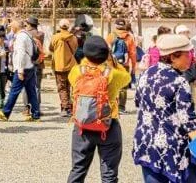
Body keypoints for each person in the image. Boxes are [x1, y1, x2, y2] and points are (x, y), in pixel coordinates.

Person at [133, 34, 196, 183]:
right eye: (187, 54)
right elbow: (188, 121)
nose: (191, 58)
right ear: (173, 57)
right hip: (172, 147)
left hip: (146, 142)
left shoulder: (146, 74)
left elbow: (138, 102)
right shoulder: (179, 81)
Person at [66, 36, 131, 183]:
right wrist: (114, 64)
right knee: (109, 174)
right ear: (106, 54)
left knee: (78, 169)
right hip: (108, 125)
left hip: (82, 125)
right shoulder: (114, 74)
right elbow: (127, 78)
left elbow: (74, 79)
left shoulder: (76, 71)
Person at [0, 19, 41, 122]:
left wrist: (20, 70)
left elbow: (21, 54)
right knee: (31, 92)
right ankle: (36, 114)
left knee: (14, 91)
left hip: (23, 68)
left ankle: (5, 112)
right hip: (30, 66)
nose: (11, 28)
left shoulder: (20, 37)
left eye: (12, 27)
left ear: (16, 27)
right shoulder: (27, 34)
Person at [105, 19, 137, 113]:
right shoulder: (129, 37)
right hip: (124, 65)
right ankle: (121, 107)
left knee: (112, 85)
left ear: (115, 26)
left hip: (112, 65)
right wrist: (133, 66)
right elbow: (133, 53)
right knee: (123, 86)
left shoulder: (111, 36)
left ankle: (111, 105)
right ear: (124, 26)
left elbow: (106, 51)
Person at [49, 18, 79, 117]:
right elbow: (75, 49)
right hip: (71, 65)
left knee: (62, 87)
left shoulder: (55, 37)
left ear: (59, 26)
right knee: (70, 86)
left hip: (59, 65)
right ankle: (72, 107)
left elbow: (50, 48)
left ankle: (65, 108)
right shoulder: (73, 38)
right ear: (68, 27)